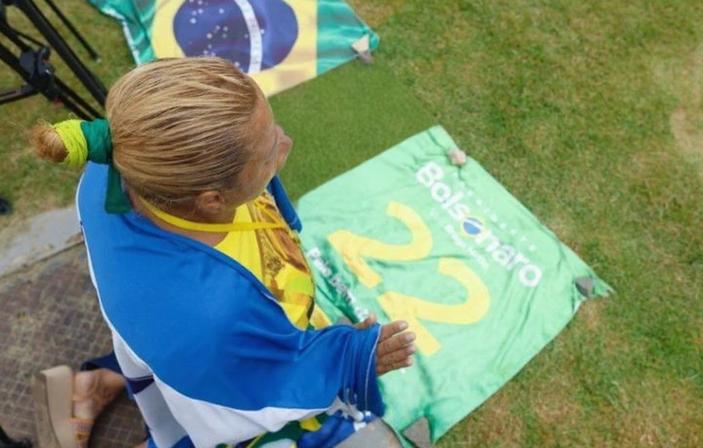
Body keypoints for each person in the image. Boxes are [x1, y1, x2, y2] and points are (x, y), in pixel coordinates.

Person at [29, 57, 416, 448]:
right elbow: (255, 398)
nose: (286, 144)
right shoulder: (213, 311)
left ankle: (102, 382)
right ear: (212, 199)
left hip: (181, 353)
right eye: (268, 154)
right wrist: (349, 360)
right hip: (212, 377)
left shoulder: (113, 170)